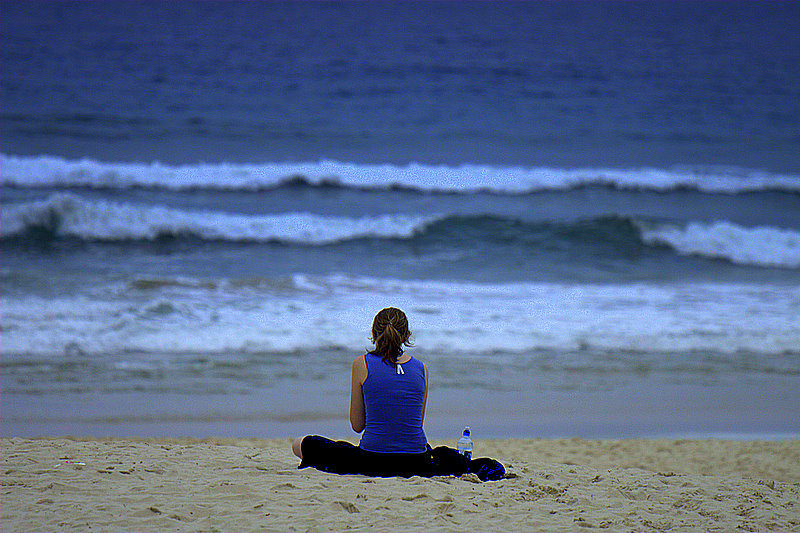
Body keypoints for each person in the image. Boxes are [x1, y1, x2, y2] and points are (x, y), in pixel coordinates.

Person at [291, 307, 505, 481]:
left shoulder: (361, 364)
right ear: (406, 336)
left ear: (374, 334)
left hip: (372, 460)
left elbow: (357, 425)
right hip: (417, 461)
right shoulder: (421, 368)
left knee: (300, 443)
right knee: (452, 458)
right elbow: (413, 424)